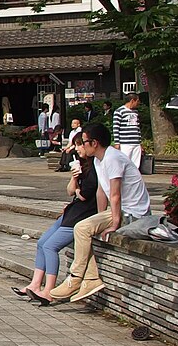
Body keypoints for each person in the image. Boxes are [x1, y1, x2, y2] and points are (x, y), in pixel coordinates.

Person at [50, 121, 151, 303]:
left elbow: (115, 195)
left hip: (132, 212)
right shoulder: (99, 160)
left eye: (85, 141)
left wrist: (113, 224)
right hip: (118, 209)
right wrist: (98, 217)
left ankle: (76, 278)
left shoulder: (113, 158)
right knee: (83, 229)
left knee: (81, 229)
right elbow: (101, 191)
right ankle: (90, 279)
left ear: (94, 143)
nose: (81, 146)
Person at [13, 133, 98, 305]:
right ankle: (35, 284)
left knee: (51, 246)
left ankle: (49, 291)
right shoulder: (81, 166)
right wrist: (74, 178)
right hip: (71, 212)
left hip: (82, 215)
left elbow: (85, 195)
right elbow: (70, 191)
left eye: (80, 145)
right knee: (42, 242)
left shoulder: (96, 168)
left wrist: (78, 191)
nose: (77, 149)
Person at [112, 93, 143, 168]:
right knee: (124, 163)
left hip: (136, 143)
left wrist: (140, 142)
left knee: (135, 165)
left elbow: (137, 127)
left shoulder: (135, 112)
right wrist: (117, 142)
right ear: (132, 100)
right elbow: (116, 127)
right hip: (125, 143)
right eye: (137, 101)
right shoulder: (119, 111)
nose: (138, 103)